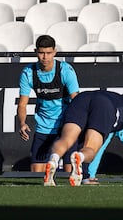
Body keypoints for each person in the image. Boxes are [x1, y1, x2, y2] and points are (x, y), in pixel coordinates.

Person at [44, 90, 123, 186]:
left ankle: (54, 158)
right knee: (90, 148)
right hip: (103, 104)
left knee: (66, 139)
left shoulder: (113, 97)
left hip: (81, 98)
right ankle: (80, 157)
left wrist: (85, 177)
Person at [17, 34, 80, 172]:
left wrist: (78, 125)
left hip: (65, 127)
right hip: (43, 128)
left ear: (55, 52)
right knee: (36, 172)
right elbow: (22, 104)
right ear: (36, 52)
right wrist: (22, 123)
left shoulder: (65, 70)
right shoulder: (28, 73)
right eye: (41, 53)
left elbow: (77, 100)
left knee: (71, 172)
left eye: (49, 53)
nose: (45, 57)